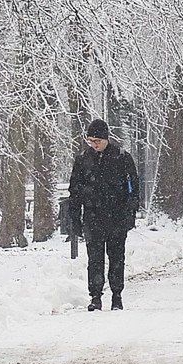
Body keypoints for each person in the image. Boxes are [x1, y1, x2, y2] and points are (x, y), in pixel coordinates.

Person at [69, 119, 139, 311]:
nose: (94, 144)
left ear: (106, 138)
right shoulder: (83, 160)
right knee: (94, 258)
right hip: (92, 217)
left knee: (117, 257)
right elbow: (74, 191)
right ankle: (95, 296)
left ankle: (117, 295)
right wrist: (74, 217)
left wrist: (130, 213)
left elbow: (133, 188)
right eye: (91, 140)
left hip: (117, 217)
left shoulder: (122, 158)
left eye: (97, 140)